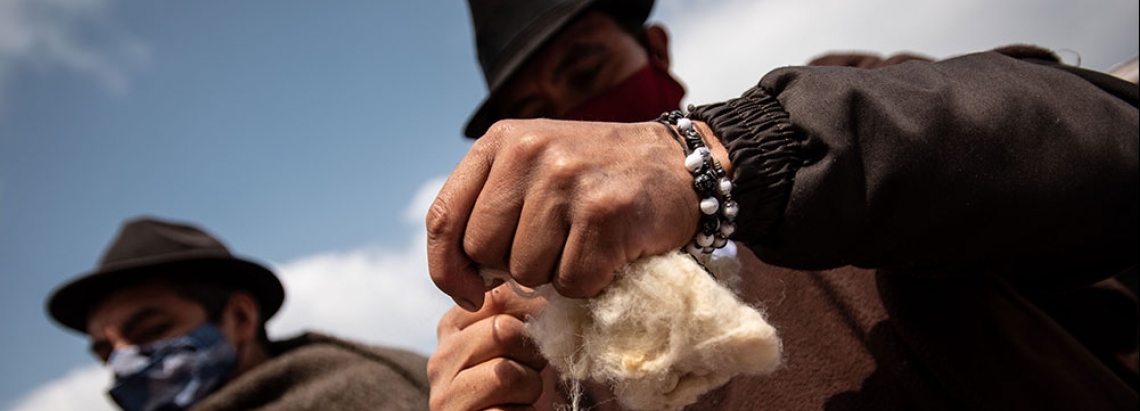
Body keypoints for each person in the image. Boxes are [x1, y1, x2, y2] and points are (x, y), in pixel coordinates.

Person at [426, 0, 1139, 410]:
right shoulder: (557, 363)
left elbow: (1102, 138)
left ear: (655, 48)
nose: (567, 128)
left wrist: (718, 156)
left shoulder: (839, 110)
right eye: (535, 115)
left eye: (587, 73)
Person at [46, 216, 431, 411]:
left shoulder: (356, 394)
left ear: (240, 318)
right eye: (106, 352)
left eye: (151, 330)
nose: (124, 361)